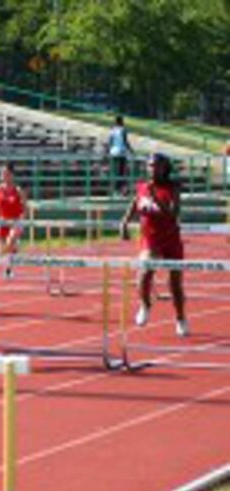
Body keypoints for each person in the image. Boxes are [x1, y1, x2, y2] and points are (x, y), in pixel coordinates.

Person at [120, 152, 189, 337]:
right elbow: (135, 203)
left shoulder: (173, 187)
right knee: (143, 274)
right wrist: (125, 222)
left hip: (171, 239)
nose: (152, 169)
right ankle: (145, 305)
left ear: (165, 168)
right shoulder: (143, 186)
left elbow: (174, 214)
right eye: (150, 165)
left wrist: (156, 198)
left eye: (156, 165)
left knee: (175, 285)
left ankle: (180, 318)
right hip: (150, 240)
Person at [0, 162, 28, 278]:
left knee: (10, 241)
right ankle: (10, 263)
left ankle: (9, 266)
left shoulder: (18, 190)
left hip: (16, 220)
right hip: (3, 220)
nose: (3, 176)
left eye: (6, 173)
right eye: (2, 173)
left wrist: (22, 220)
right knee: (0, 252)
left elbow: (25, 208)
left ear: (12, 175)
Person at [107, 115, 134, 194]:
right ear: (121, 122)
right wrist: (131, 150)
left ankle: (114, 188)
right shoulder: (123, 130)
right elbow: (125, 142)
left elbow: (110, 142)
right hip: (121, 152)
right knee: (121, 171)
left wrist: (108, 151)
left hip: (113, 152)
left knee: (114, 171)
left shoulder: (112, 130)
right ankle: (119, 188)